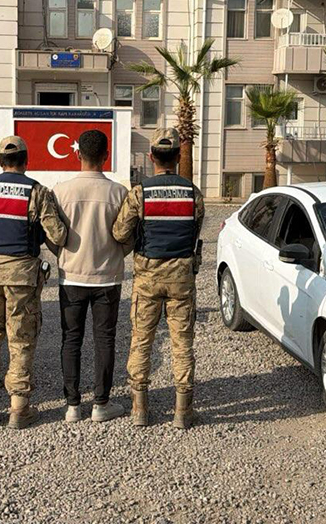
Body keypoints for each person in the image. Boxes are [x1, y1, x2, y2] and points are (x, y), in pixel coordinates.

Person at [0, 135, 68, 429]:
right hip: (22, 276)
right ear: (26, 161)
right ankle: (19, 409)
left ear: (1, 162)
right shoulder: (37, 192)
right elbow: (58, 235)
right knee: (21, 340)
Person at [112, 127, 205, 429]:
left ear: (151, 156)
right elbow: (196, 228)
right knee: (182, 343)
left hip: (148, 276)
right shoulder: (193, 194)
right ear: (179, 156)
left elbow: (119, 232)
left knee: (141, 340)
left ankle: (140, 410)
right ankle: (183, 411)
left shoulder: (140, 193)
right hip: (181, 276)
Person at [50, 130, 132, 423]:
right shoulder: (119, 193)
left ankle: (72, 405)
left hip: (71, 277)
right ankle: (101, 403)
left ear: (77, 154)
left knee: (71, 339)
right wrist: (117, 254)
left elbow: (52, 234)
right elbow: (128, 235)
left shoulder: (60, 191)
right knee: (104, 340)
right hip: (107, 278)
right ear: (106, 156)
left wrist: (60, 255)